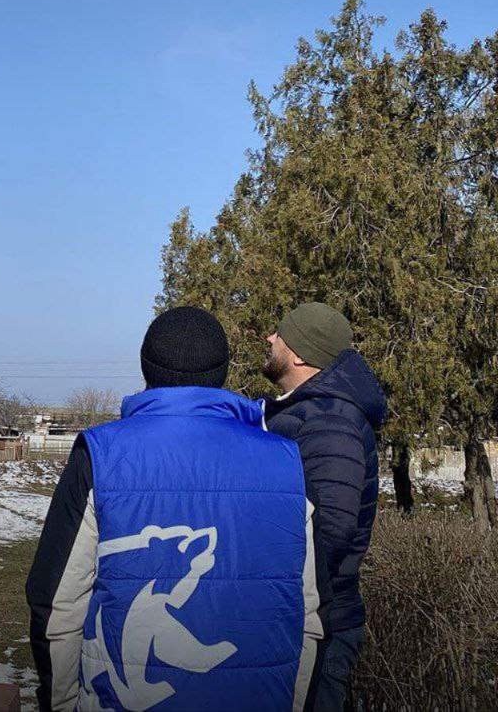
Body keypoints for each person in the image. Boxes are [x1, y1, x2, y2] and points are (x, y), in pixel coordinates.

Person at [27, 307, 326, 712]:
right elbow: (310, 614)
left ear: (146, 367)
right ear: (221, 372)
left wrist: (61, 703)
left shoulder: (101, 454)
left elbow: (58, 605)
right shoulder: (288, 462)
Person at [263, 303, 385, 712]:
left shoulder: (331, 421)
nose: (270, 338)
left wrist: (270, 589)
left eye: (280, 334)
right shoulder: (308, 411)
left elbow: (330, 531)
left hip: (318, 626)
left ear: (299, 354)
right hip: (299, 616)